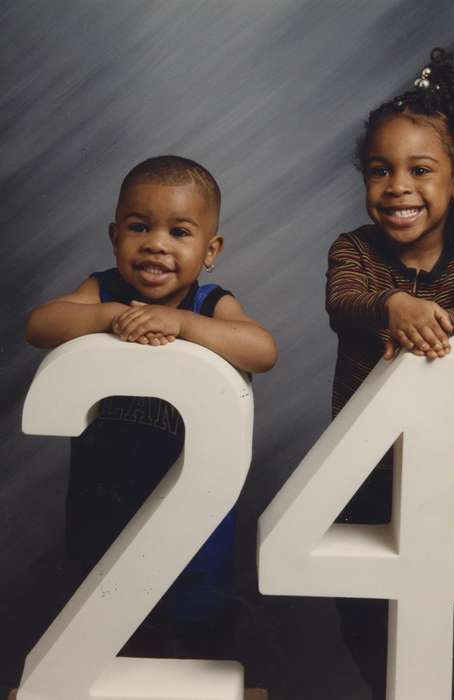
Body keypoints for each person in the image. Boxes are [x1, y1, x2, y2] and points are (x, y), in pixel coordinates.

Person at [26, 155, 277, 654]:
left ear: (211, 250)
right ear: (115, 236)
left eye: (179, 232)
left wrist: (183, 326)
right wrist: (107, 316)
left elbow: (262, 350)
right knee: (100, 645)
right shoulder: (104, 291)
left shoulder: (209, 304)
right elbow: (40, 325)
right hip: (106, 511)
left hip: (189, 524)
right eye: (140, 227)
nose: (157, 243)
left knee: (189, 647)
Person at [326, 48, 454, 699]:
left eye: (420, 170)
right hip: (359, 460)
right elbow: (343, 306)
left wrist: (433, 317)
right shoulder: (354, 251)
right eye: (381, 170)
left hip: (439, 461)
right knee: (358, 603)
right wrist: (392, 305)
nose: (398, 186)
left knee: (430, 609)